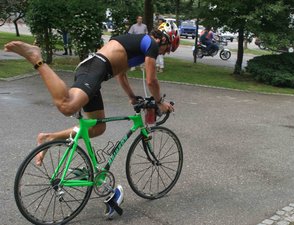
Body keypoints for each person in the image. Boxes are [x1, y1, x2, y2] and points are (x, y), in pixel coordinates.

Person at [4, 22, 179, 214]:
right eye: (168, 47)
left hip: (96, 71)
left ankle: (49, 137)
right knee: (67, 104)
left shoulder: (138, 43)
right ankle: (36, 58)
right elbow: (151, 81)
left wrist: (131, 96)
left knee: (97, 127)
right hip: (95, 69)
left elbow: (121, 74)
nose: (166, 52)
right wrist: (160, 102)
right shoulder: (150, 44)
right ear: (163, 39)